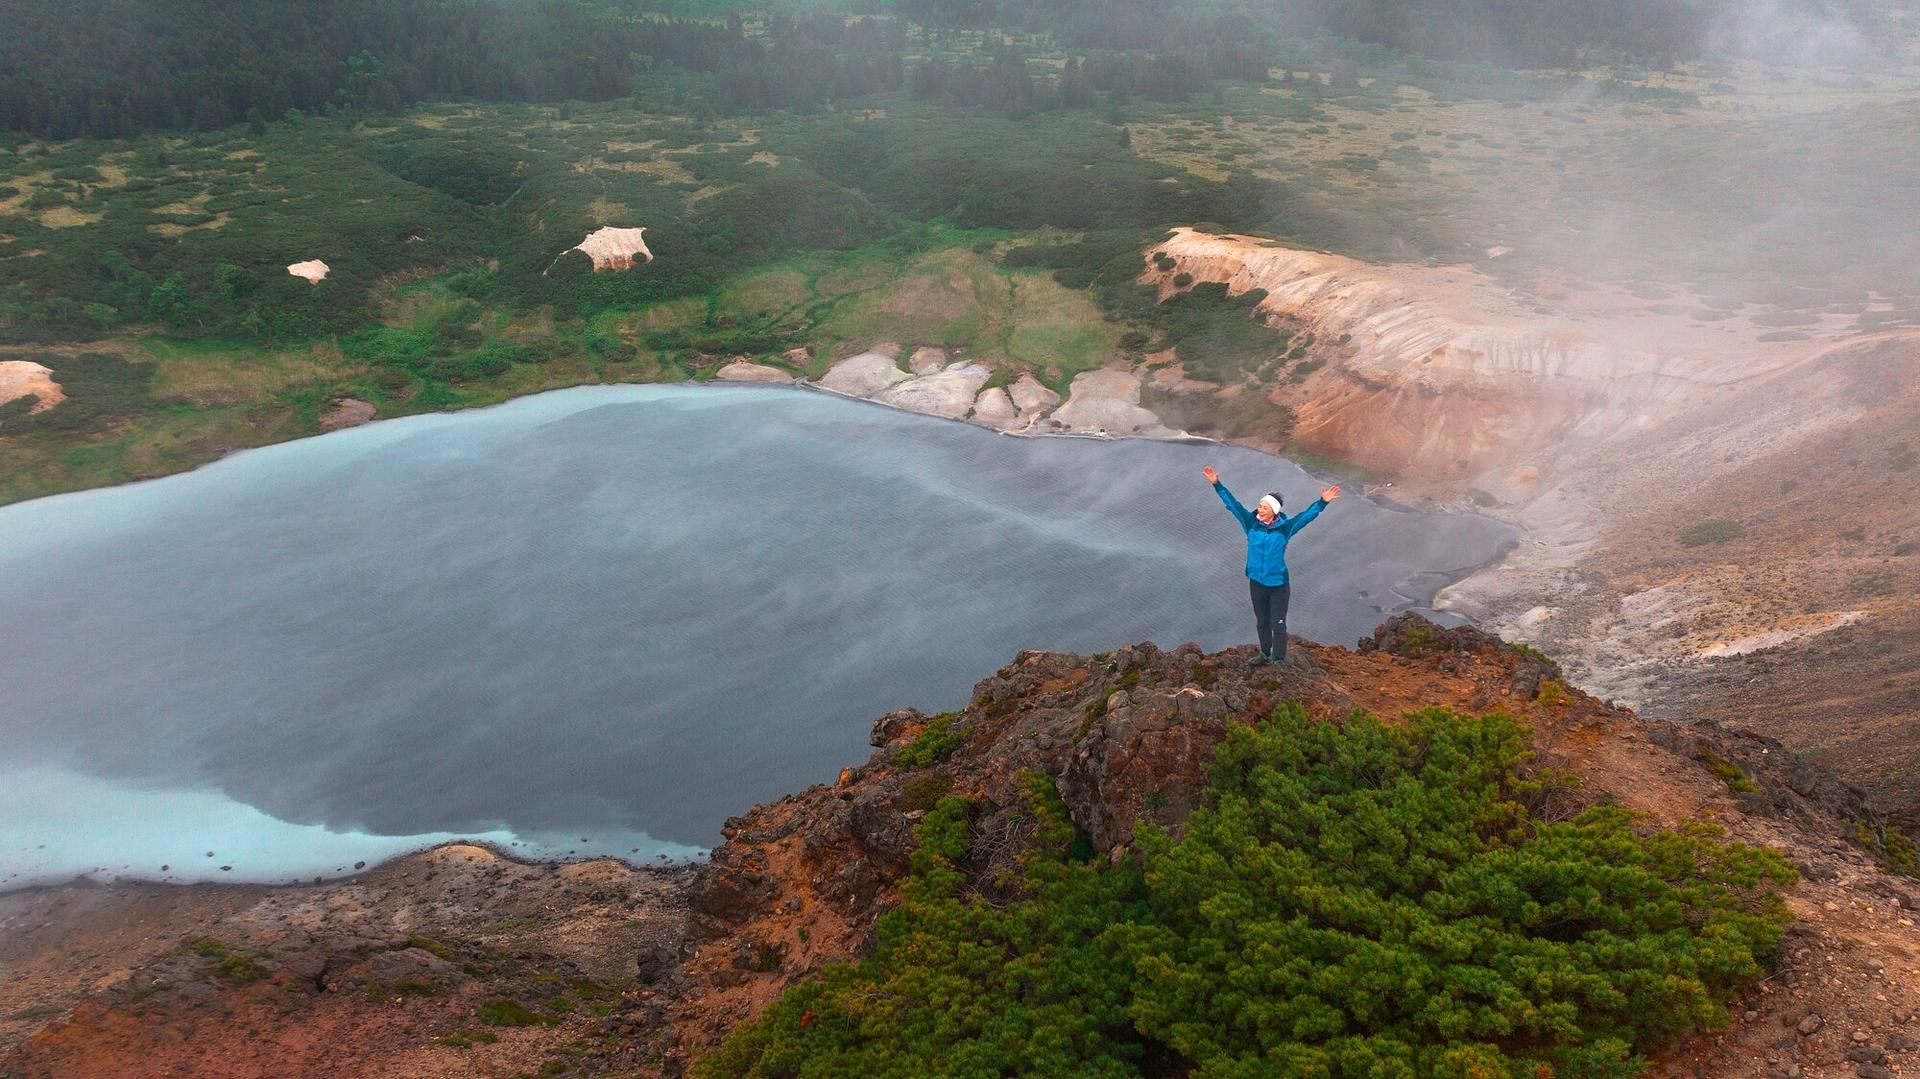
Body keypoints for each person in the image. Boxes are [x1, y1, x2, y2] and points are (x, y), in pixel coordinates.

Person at [1202, 465, 1340, 664]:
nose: (1260, 509)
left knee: (1279, 624)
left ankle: (1279, 660)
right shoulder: (1251, 523)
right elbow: (1233, 505)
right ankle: (1265, 654)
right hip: (1256, 583)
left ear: (1274, 511)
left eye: (1265, 507)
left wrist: (1322, 502)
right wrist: (1217, 484)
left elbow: (1306, 516)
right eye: (1260, 505)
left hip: (1278, 586)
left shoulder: (1284, 529)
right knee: (1262, 623)